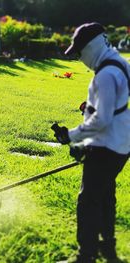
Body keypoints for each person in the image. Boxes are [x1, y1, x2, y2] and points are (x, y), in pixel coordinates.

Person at [53, 22, 130, 263]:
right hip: (120, 143)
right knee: (105, 197)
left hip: (107, 146)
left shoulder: (106, 74)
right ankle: (108, 249)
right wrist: (91, 107)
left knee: (88, 201)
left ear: (92, 47)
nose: (79, 57)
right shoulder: (120, 64)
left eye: (79, 52)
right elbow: (114, 107)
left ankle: (85, 256)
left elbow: (103, 119)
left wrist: (72, 136)